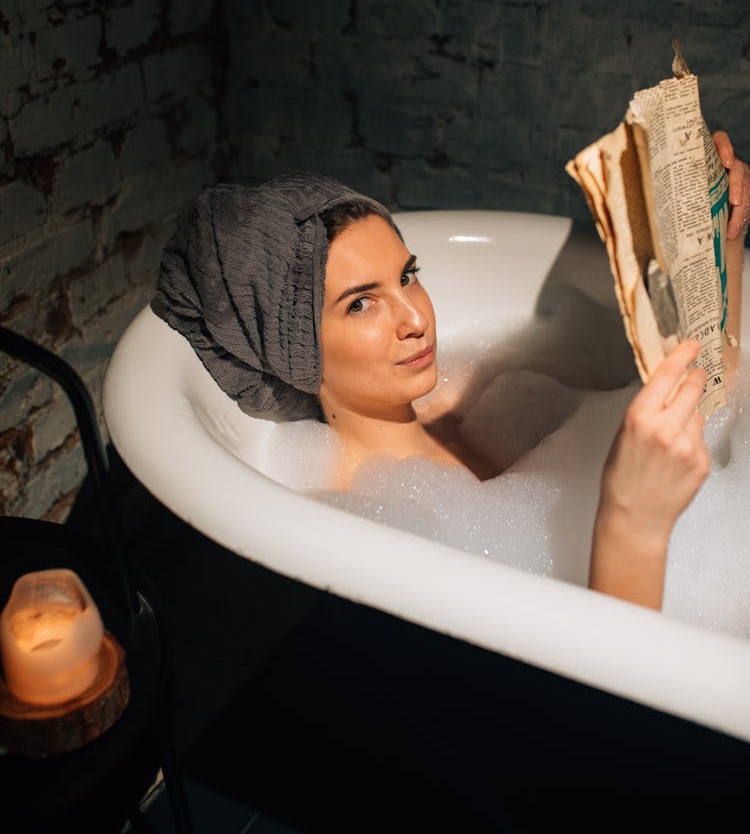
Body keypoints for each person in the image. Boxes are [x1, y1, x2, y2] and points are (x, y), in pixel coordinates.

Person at [156, 134, 750, 613]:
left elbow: (716, 404)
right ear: (294, 352)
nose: (415, 318)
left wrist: (723, 246)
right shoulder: (356, 524)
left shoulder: (466, 396)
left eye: (408, 276)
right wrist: (629, 520)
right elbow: (596, 716)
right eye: (361, 303)